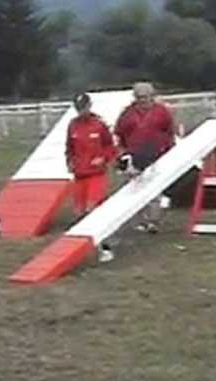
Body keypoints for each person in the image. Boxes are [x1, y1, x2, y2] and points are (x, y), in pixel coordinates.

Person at [113, 81, 177, 234]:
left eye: (146, 97)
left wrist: (169, 148)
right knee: (134, 189)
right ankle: (138, 221)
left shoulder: (162, 111)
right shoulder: (127, 113)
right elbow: (119, 132)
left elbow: (169, 130)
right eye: (140, 97)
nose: (143, 100)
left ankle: (153, 221)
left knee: (154, 189)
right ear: (135, 97)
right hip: (134, 155)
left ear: (152, 96)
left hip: (156, 154)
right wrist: (123, 152)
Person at [65, 93, 117, 261]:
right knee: (79, 213)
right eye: (78, 109)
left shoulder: (99, 124)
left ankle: (106, 246)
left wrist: (104, 158)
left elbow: (110, 146)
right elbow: (69, 148)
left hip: (96, 174)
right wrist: (70, 161)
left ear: (89, 106)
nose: (81, 112)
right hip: (79, 174)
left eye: (84, 108)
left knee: (93, 209)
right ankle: (87, 246)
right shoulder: (72, 125)